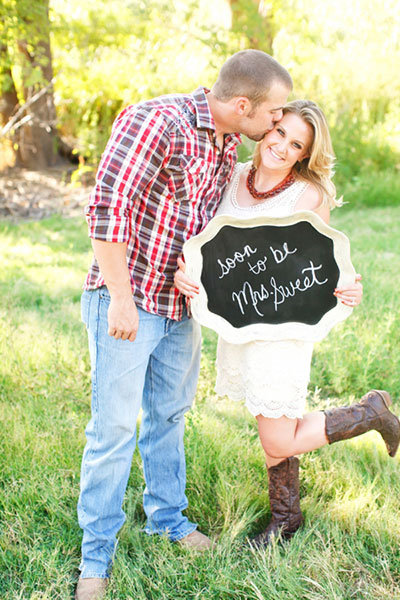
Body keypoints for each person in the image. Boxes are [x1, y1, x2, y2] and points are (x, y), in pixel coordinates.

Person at [76, 49, 293, 600]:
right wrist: (121, 299)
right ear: (242, 104)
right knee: (114, 429)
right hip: (128, 303)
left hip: (180, 309)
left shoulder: (226, 142)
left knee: (168, 416)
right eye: (273, 114)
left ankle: (167, 519)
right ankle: (96, 559)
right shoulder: (158, 120)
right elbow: (106, 209)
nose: (276, 124)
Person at [174, 99, 400, 548]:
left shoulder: (309, 195)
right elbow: (207, 246)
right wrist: (188, 274)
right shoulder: (233, 176)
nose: (281, 146)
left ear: (304, 155)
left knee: (279, 438)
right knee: (270, 423)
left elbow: (323, 264)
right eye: (280, 134)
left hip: (284, 330)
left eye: (296, 144)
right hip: (240, 320)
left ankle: (369, 413)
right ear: (268, 129)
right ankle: (286, 517)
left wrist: (348, 287)